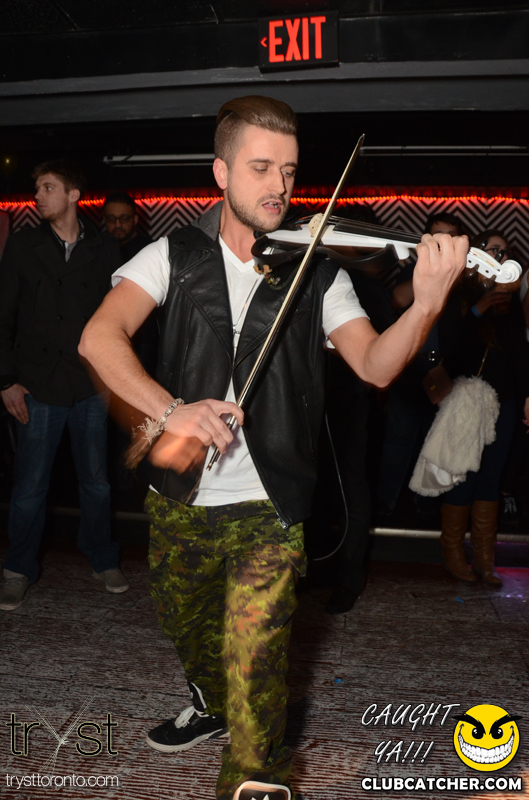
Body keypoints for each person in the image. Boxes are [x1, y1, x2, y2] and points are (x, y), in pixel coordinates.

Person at [79, 96, 467, 800]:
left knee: (255, 661)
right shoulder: (172, 256)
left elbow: (376, 365)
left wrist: (426, 304)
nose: (279, 187)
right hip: (180, 497)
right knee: (190, 630)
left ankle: (254, 776)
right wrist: (172, 410)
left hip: (271, 504)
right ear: (221, 172)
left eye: (287, 171)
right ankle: (208, 700)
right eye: (260, 168)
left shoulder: (317, 271)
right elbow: (98, 339)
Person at [0, 159, 128, 612]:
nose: (38, 195)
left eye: (48, 187)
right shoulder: (23, 245)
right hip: (37, 385)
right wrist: (7, 381)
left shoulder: (104, 247)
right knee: (30, 486)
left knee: (97, 483)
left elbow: (119, 321)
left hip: (91, 385)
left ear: (74, 194)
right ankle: (17, 569)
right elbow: (3, 316)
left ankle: (102, 559)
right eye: (37, 188)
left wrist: (117, 377)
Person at [437, 229, 529, 587]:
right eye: (493, 250)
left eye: (505, 252)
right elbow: (450, 347)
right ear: (476, 255)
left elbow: (519, 354)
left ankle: (485, 561)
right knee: (465, 475)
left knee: (492, 477)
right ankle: (452, 555)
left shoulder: (510, 298)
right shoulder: (458, 292)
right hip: (466, 399)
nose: (500, 257)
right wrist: (480, 308)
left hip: (504, 401)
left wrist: (526, 397)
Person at [103, 191, 152, 261]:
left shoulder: (148, 249)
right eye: (111, 219)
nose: (117, 224)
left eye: (124, 218)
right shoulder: (98, 249)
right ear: (105, 220)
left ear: (135, 219)